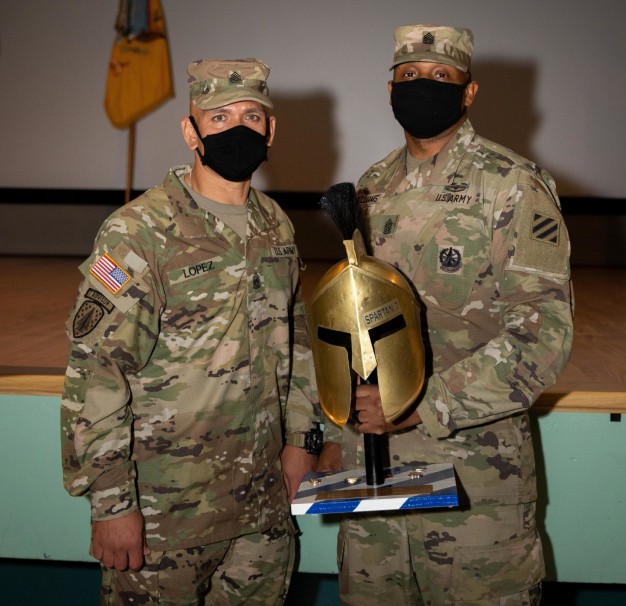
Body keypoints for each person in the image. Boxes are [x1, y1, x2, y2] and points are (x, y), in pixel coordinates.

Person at [318, 25, 573, 605]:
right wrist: (332, 427)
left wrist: (420, 403)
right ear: (389, 91)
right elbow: (354, 321)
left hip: (473, 486)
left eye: (440, 77)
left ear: (469, 92)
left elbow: (541, 339)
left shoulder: (513, 186)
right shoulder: (370, 188)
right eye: (409, 77)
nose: (422, 88)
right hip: (375, 482)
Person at [60, 57, 322, 605]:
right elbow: (98, 373)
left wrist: (301, 441)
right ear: (191, 130)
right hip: (164, 519)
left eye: (252, 115)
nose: (238, 128)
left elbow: (298, 342)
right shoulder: (139, 231)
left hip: (261, 512)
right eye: (219, 116)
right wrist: (113, 505)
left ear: (271, 129)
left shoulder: (276, 223)